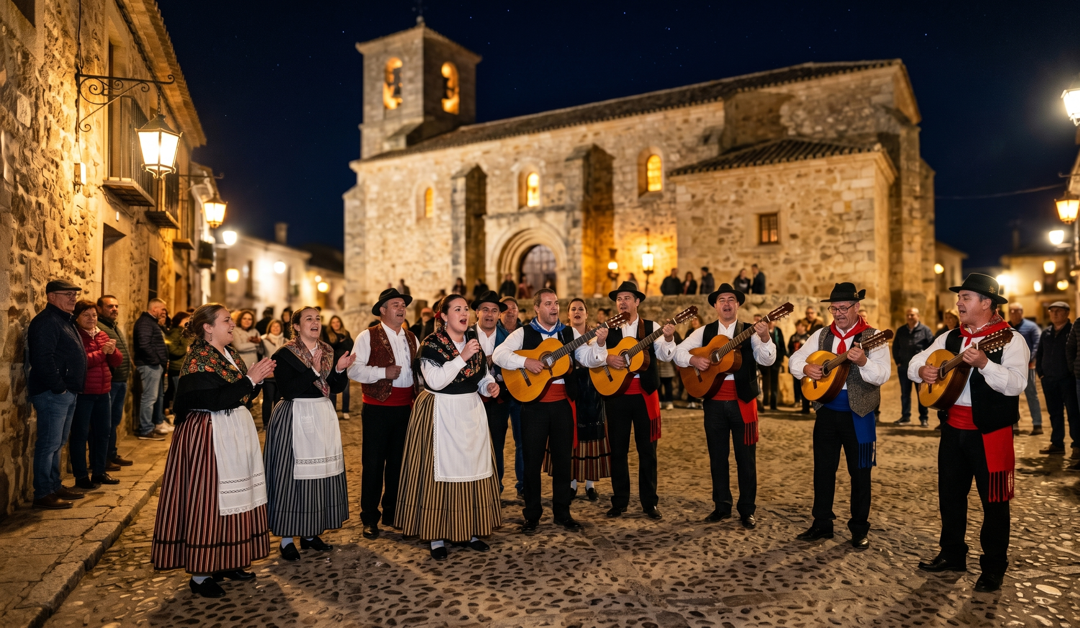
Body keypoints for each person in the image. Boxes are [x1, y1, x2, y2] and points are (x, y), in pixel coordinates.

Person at [908, 274, 1026, 593]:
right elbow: (915, 361)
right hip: (952, 429)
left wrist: (986, 364)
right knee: (950, 496)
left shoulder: (1011, 339)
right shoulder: (949, 338)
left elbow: (1017, 384)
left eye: (966, 298)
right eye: (959, 298)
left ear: (986, 303)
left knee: (995, 503)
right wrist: (922, 370)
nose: (958, 303)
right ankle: (952, 554)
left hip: (990, 434)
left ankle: (993, 567)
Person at [151, 303, 276, 598]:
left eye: (231, 320)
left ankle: (228, 560)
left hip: (234, 431)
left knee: (238, 496)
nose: (232, 325)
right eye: (226, 320)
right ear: (208, 327)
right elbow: (214, 399)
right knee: (209, 500)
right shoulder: (198, 360)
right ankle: (201, 571)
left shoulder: (229, 354)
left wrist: (254, 380)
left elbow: (241, 392)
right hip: (210, 434)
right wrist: (250, 380)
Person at [493, 289, 608, 534]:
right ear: (537, 308)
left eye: (556, 303)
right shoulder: (523, 333)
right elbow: (499, 355)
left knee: (563, 461)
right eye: (548, 303)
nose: (554, 307)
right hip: (533, 405)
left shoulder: (568, 333)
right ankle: (532, 514)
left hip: (562, 405)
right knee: (532, 462)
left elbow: (588, 359)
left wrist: (599, 343)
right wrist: (526, 362)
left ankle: (562, 512)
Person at [396, 294, 502, 560]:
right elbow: (435, 381)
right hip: (440, 411)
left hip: (470, 411)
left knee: (472, 468)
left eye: (466, 308)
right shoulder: (431, 345)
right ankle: (436, 535)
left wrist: (488, 385)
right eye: (457, 309)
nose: (464, 313)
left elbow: (480, 375)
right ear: (443, 316)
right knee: (438, 473)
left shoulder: (472, 342)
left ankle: (470, 530)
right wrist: (461, 357)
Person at [788, 282, 892, 550]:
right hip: (826, 413)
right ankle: (822, 523)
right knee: (823, 470)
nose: (838, 313)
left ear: (857, 307)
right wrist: (806, 369)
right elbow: (794, 359)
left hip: (859, 416)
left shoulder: (874, 336)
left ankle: (859, 528)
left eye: (844, 308)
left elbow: (883, 374)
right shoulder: (822, 335)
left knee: (860, 473)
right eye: (834, 308)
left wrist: (863, 362)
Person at [674, 284, 774, 528]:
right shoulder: (705, 332)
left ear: (738, 305)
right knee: (718, 457)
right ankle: (721, 506)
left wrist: (764, 337)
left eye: (731, 299)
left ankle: (747, 509)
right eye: (722, 300)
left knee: (745, 459)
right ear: (715, 306)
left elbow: (767, 359)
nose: (727, 304)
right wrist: (694, 359)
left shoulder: (749, 331)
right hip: (714, 404)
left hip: (743, 403)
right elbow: (677, 353)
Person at [266, 307, 356, 561]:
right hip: (296, 416)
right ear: (296, 326)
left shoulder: (328, 351)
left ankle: (310, 532)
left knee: (319, 476)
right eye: (309, 319)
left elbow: (334, 388)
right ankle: (286, 539)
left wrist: (338, 370)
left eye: (318, 318)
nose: (315, 322)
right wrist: (313, 371)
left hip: (322, 415)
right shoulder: (285, 354)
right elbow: (288, 389)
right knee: (291, 477)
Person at [348, 288, 420, 541]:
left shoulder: (412, 337)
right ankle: (370, 516)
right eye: (395, 305)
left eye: (403, 305)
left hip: (405, 407)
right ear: (382, 309)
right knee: (374, 464)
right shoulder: (367, 336)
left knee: (399, 463)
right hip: (377, 408)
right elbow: (353, 371)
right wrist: (382, 372)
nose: (401, 309)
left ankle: (392, 511)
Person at [601, 281, 676, 520]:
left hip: (644, 396)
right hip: (617, 396)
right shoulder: (608, 328)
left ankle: (649, 503)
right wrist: (607, 358)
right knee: (618, 451)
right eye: (619, 298)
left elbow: (666, 355)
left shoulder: (651, 327)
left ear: (637, 302)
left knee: (648, 452)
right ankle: (619, 501)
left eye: (627, 298)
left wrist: (669, 338)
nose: (622, 302)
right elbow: (589, 355)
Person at [549, 298, 613, 501]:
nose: (577, 312)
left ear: (587, 314)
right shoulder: (561, 335)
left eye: (581, 309)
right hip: (571, 388)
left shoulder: (596, 335)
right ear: (568, 314)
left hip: (592, 389)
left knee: (592, 433)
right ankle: (572, 483)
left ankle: (590, 484)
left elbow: (601, 359)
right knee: (570, 433)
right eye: (573, 309)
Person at [70, 299, 122, 491]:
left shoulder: (101, 334)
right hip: (84, 392)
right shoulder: (76, 336)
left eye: (94, 315)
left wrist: (112, 350)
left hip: (104, 391)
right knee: (80, 434)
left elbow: (116, 361)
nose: (91, 318)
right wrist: (102, 352)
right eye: (86, 315)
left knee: (103, 433)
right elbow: (82, 362)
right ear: (77, 317)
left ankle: (99, 471)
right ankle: (81, 476)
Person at [471, 291, 512, 490]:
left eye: (494, 310)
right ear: (477, 312)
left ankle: (496, 488)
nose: (490, 314)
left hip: (499, 402)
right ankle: (472, 488)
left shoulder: (509, 339)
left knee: (496, 445)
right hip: (470, 401)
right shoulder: (465, 335)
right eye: (485, 309)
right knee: (470, 445)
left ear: (499, 315)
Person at [96, 295, 134, 470]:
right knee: (105, 423)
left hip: (121, 380)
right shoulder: (99, 327)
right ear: (99, 308)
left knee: (114, 421)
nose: (115, 309)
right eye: (110, 306)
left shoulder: (113, 326)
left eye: (116, 306)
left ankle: (111, 453)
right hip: (110, 382)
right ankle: (103, 459)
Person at [1038, 302, 1078, 457]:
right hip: (1049, 380)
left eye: (1058, 311)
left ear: (1067, 313)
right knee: (1054, 413)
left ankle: (1077, 446)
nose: (1054, 314)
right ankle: (1057, 443)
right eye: (1052, 311)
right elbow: (1040, 353)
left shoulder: (1072, 331)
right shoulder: (1046, 333)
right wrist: (1041, 373)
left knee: (1073, 413)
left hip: (1067, 380)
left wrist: (1072, 373)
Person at [497, 297, 526, 498]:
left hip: (521, 391)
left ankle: (523, 486)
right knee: (496, 441)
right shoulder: (492, 331)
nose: (510, 312)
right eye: (505, 309)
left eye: (513, 308)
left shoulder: (526, 333)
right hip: (497, 392)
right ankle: (495, 486)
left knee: (522, 440)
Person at [133, 298, 169, 439]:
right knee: (149, 397)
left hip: (154, 365)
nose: (163, 312)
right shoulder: (145, 323)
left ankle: (151, 425)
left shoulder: (151, 322)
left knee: (155, 397)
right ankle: (146, 429)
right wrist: (156, 361)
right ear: (154, 309)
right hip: (149, 365)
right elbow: (144, 344)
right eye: (162, 309)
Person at [893, 308, 934, 427]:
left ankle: (924, 418)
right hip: (904, 367)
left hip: (920, 370)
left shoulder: (926, 330)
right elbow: (895, 347)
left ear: (918, 316)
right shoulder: (901, 330)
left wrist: (927, 364)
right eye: (908, 315)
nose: (910, 317)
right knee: (905, 394)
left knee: (921, 394)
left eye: (912, 315)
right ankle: (905, 417)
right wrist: (898, 361)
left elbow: (931, 347)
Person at [1008, 303, 1042, 435]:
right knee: (1011, 395)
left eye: (1016, 311)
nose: (1014, 313)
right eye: (1011, 311)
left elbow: (1037, 344)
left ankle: (1037, 424)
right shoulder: (1006, 327)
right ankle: (1013, 423)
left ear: (1022, 312)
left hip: (1027, 367)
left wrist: (1030, 359)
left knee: (1031, 395)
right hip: (1010, 367)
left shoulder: (1031, 327)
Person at [322, 315, 355, 420]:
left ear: (340, 322)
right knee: (332, 389)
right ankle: (333, 410)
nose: (336, 324)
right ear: (330, 324)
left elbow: (351, 346)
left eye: (337, 322)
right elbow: (329, 348)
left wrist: (341, 343)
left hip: (345, 365)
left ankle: (345, 411)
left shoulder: (346, 333)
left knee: (346, 389)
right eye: (333, 322)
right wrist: (339, 342)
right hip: (332, 366)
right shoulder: (328, 335)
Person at [163, 312, 192, 422]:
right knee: (178, 392)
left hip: (183, 366)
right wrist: (185, 350)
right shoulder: (175, 332)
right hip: (177, 367)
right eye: (186, 319)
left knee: (181, 391)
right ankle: (177, 414)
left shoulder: (183, 332)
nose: (188, 321)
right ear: (180, 320)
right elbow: (171, 349)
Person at [260, 319, 287, 428]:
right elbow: (260, 354)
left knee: (278, 399)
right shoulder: (263, 339)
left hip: (281, 374)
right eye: (273, 326)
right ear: (269, 328)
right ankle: (266, 423)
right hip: (268, 373)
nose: (276, 328)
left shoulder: (286, 341)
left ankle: (277, 421)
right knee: (268, 398)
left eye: (278, 326)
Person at [759, 318, 786, 411]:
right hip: (764, 361)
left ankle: (773, 405)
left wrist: (781, 358)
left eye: (773, 321)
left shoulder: (778, 331)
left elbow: (782, 345)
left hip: (776, 361)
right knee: (764, 382)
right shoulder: (763, 331)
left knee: (774, 383)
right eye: (769, 322)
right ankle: (764, 402)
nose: (771, 323)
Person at [788, 320, 811, 413]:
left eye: (801, 326)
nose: (799, 327)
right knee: (796, 384)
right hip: (795, 364)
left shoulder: (808, 337)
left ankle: (806, 405)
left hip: (805, 364)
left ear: (805, 327)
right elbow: (789, 348)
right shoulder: (793, 337)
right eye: (798, 325)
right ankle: (797, 400)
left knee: (805, 384)